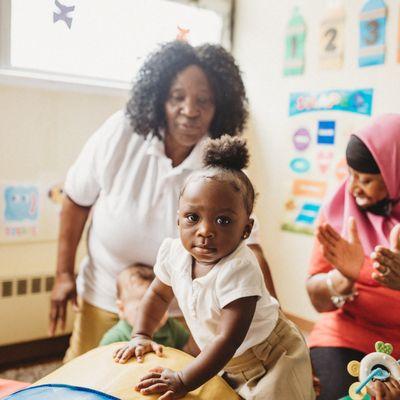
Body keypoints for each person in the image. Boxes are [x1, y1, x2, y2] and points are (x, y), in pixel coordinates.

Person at [48, 40, 277, 362]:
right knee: (82, 381)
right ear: (159, 99)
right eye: (177, 98)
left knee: (166, 387)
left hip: (180, 309)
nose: (190, 110)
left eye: (204, 101)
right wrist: (63, 275)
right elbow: (76, 199)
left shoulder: (223, 169)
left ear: (219, 107)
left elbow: (251, 249)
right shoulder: (121, 131)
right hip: (105, 294)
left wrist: (276, 326)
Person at [114, 136, 315, 400]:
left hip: (270, 358)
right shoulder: (174, 253)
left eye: (223, 220)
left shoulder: (240, 269)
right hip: (227, 361)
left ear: (246, 229)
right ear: (178, 220)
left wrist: (183, 379)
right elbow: (158, 295)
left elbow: (227, 340)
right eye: (192, 217)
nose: (206, 230)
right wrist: (141, 334)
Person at [306, 114, 400, 400]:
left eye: (367, 180)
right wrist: (340, 280)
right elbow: (316, 298)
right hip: (345, 334)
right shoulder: (336, 211)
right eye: (351, 174)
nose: (354, 187)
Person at [99, 264, 198, 356]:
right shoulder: (114, 339)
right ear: (122, 309)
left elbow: (187, 351)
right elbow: (101, 366)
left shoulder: (171, 326)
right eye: (141, 309)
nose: (152, 313)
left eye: (159, 307)